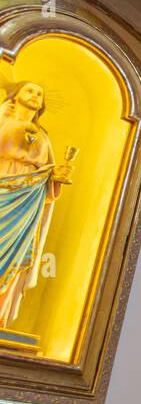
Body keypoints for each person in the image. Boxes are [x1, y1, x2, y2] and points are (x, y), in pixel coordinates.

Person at [0, 81, 76, 327]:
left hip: (27, 204)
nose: (35, 95)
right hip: (3, 189)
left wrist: (56, 176)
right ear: (16, 95)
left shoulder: (43, 136)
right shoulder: (3, 120)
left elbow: (46, 176)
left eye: (39, 93)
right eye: (30, 90)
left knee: (14, 255)